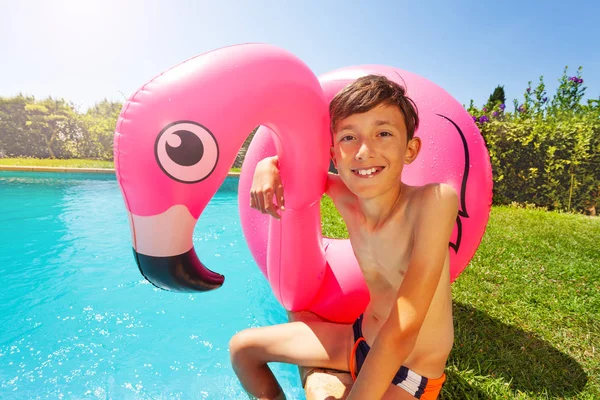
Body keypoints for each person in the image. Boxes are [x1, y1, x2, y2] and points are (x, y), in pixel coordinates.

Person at [229, 74, 458, 400]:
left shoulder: (434, 202)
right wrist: (268, 164)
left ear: (410, 149)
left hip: (407, 370)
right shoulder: (345, 197)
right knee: (242, 349)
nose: (365, 150)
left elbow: (404, 328)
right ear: (334, 155)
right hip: (358, 339)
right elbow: (300, 168)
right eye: (349, 137)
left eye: (383, 133)